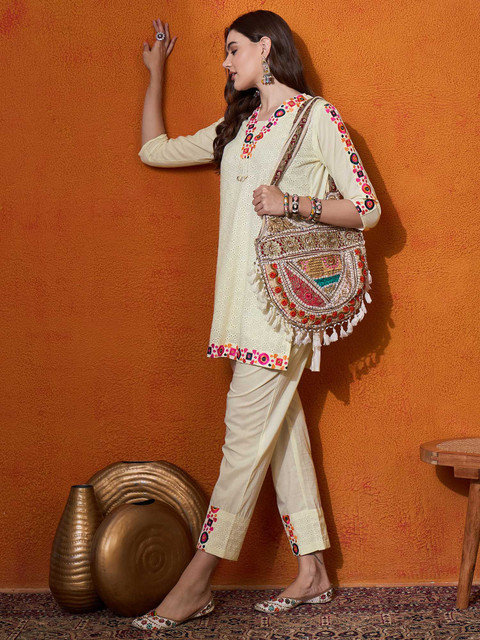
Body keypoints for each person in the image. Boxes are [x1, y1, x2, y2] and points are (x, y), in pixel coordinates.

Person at [132, 9, 381, 633]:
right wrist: (156, 73)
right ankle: (314, 570)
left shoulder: (317, 117)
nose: (225, 62)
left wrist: (292, 201)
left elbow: (368, 208)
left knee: (241, 444)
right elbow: (153, 151)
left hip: (283, 309)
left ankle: (195, 584)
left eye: (233, 49)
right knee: (278, 430)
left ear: (266, 48)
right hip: (238, 311)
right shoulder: (236, 128)